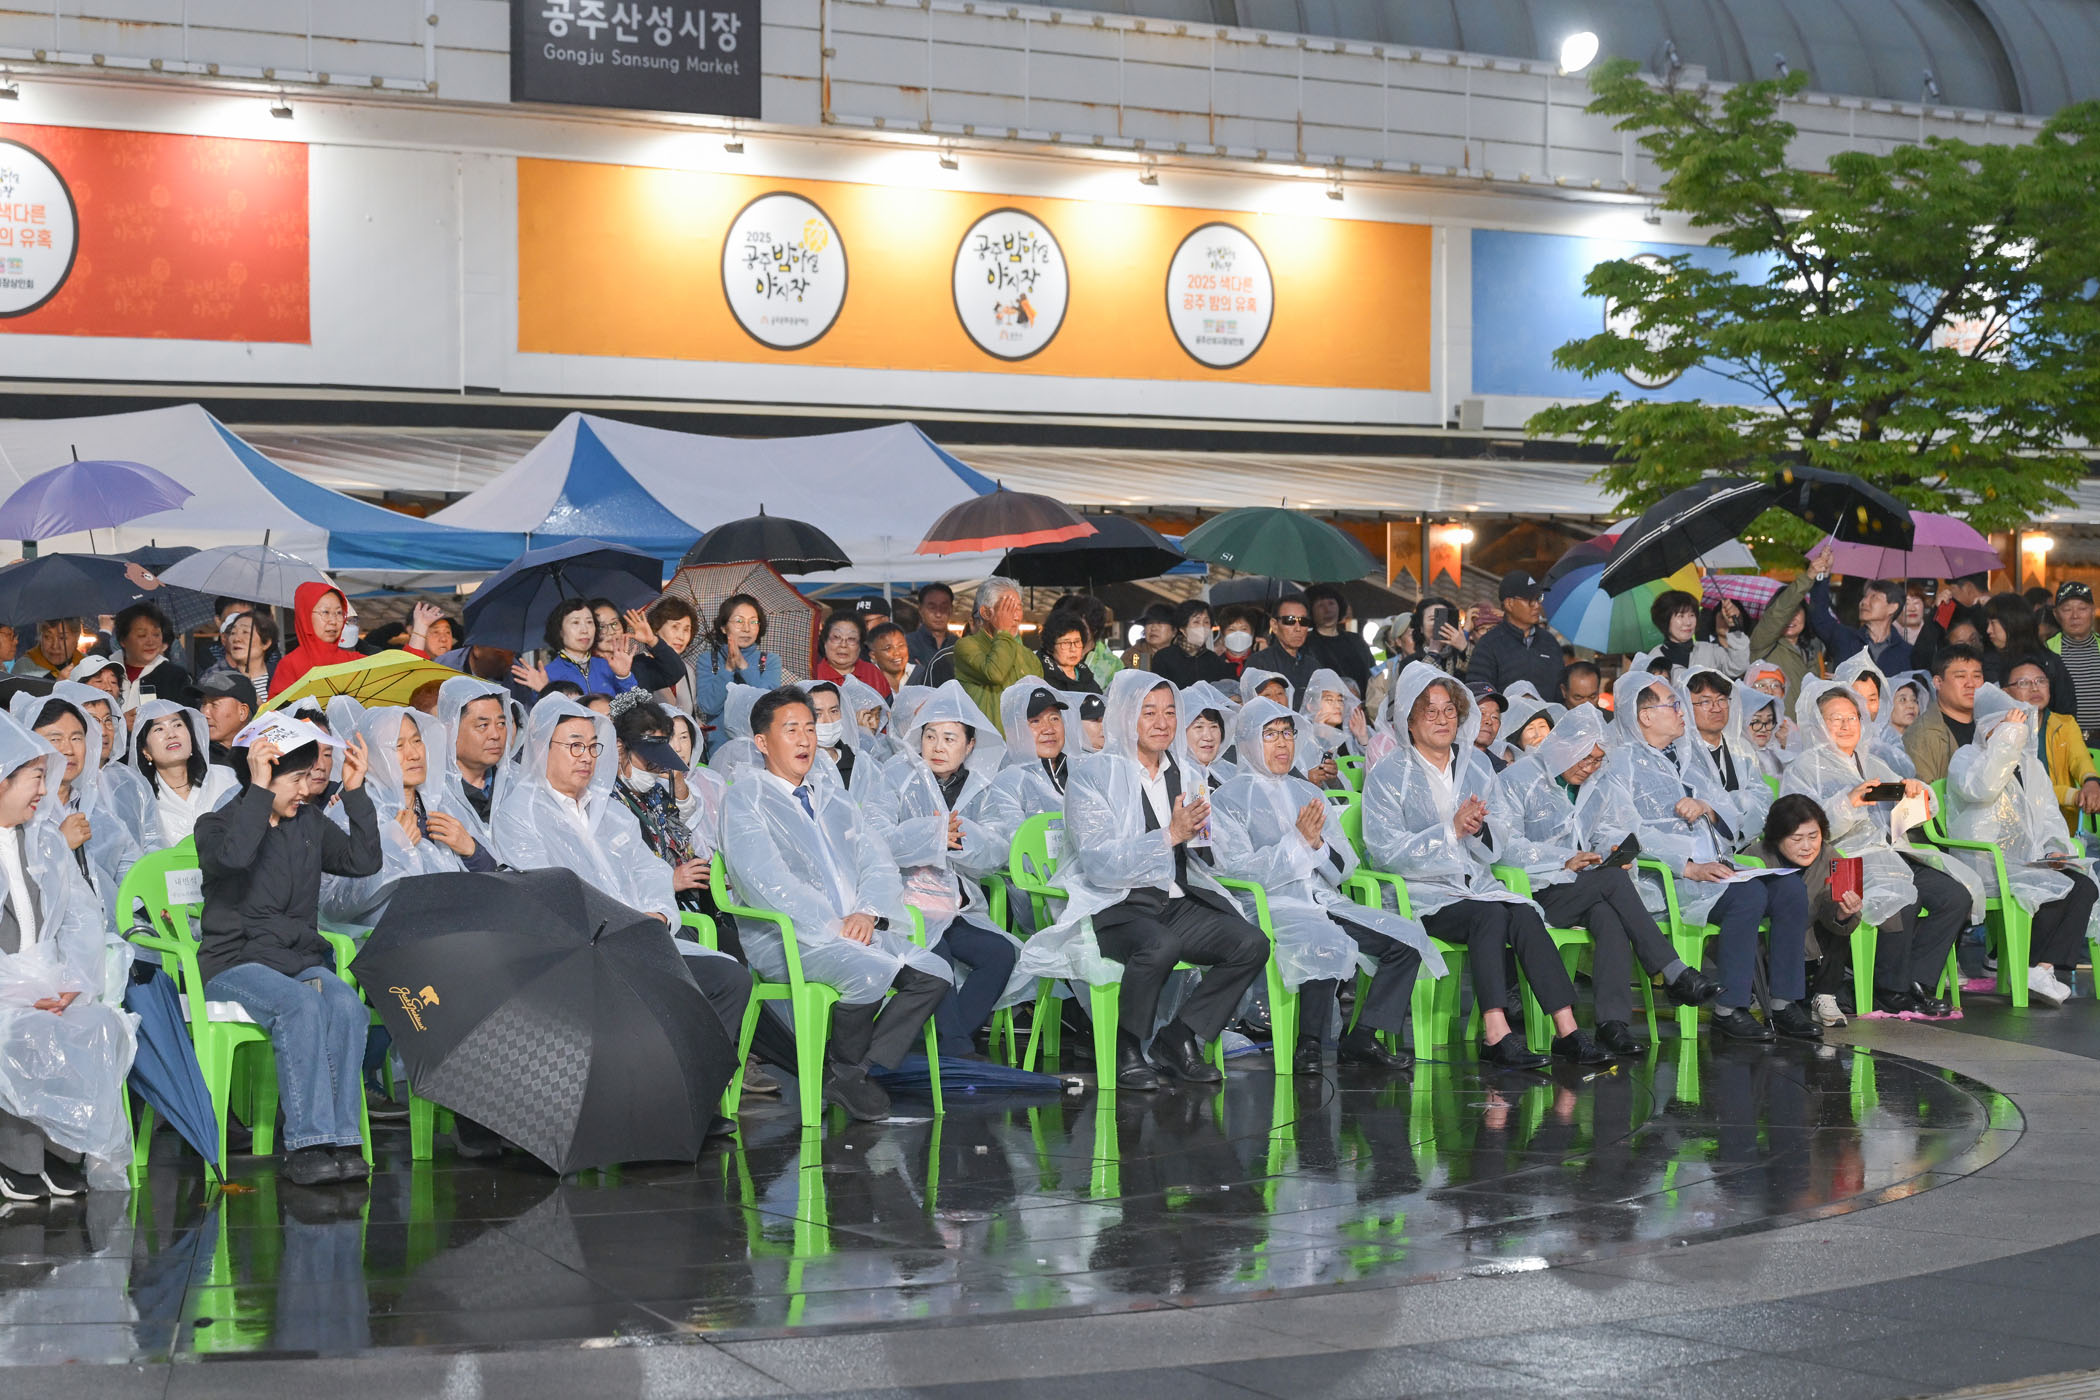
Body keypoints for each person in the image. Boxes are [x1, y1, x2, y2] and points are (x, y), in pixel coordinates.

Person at [1008, 671, 1272, 1089]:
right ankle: (1127, 1047)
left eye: (1169, 712)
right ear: (1125, 716)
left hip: (1175, 899)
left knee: (1251, 943)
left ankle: (1180, 1038)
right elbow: (1098, 861)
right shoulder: (1094, 774)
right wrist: (1171, 834)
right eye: (1149, 712)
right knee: (1159, 945)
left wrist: (1208, 836)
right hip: (1114, 903)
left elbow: (1204, 850)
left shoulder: (1187, 774)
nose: (1162, 723)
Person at [718, 687, 953, 1120]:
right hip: (791, 938)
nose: (805, 740)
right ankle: (847, 1071)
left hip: (854, 928)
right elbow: (765, 881)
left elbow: (876, 859)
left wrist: (868, 912)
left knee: (935, 974)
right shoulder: (746, 797)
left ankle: (849, 1071)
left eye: (810, 729)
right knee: (869, 973)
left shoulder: (833, 795)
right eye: (791, 730)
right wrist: (832, 925)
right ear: (763, 742)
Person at [1361, 663, 1610, 1067]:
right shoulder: (1389, 774)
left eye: (1449, 710)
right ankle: (1496, 1033)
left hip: (1474, 885)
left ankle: (1567, 1030)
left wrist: (1477, 828)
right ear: (1409, 719)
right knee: (1491, 915)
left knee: (1524, 913)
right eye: (1430, 711)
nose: (1442, 719)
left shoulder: (1475, 766)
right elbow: (1385, 852)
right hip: (1421, 895)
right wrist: (1450, 831)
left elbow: (1498, 841)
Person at [1573, 672, 1817, 1041]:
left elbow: (1729, 811)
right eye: (1673, 705)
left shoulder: (1688, 755)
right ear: (1646, 716)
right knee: (1748, 896)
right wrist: (1687, 865)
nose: (1681, 711)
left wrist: (1708, 809)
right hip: (1669, 878)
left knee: (1791, 891)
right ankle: (1729, 1008)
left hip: (1716, 865)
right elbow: (1619, 831)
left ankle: (1784, 1002)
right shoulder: (1620, 764)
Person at [1211, 698, 1440, 1073]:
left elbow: (1345, 865)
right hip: (1272, 907)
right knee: (1321, 940)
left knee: (1406, 941)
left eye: (1287, 733)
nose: (1282, 743)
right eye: (1270, 734)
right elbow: (1238, 870)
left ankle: (1362, 1036)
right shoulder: (1227, 799)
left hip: (1322, 900)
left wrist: (1317, 845)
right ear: (1249, 740)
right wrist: (1296, 843)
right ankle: (1310, 1044)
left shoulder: (1309, 793)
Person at [194, 728, 380, 1186]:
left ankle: (342, 1139)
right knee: (301, 1005)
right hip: (234, 964)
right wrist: (259, 791)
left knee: (346, 1005)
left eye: (307, 777)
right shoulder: (216, 826)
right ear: (263, 775)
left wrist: (355, 793)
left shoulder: (309, 823)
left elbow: (363, 861)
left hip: (296, 960)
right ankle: (307, 1143)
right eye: (295, 779)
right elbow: (235, 859)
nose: (304, 788)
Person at [1491, 704, 1721, 1053]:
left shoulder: (1596, 783)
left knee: (1609, 915)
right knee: (1612, 882)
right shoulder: (1518, 779)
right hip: (1532, 891)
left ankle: (1613, 1025)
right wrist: (1562, 859)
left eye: (1597, 760)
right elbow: (1504, 846)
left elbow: (1608, 827)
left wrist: (1609, 850)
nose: (1590, 767)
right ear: (1564, 747)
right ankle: (1673, 971)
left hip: (1581, 887)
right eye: (1585, 758)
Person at [0, 713, 137, 1201]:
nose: (45, 790)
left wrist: (72, 982)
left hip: (46, 981)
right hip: (8, 989)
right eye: (35, 777)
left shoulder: (42, 838)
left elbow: (80, 917)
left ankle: (64, 1148)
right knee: (19, 1032)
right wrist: (15, 992)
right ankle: (16, 1157)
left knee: (97, 1025)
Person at [1783, 678, 1980, 1017]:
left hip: (1890, 854)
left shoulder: (1871, 762)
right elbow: (1802, 831)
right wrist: (1847, 802)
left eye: (1852, 717)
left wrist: (1915, 794)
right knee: (1902, 898)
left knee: (1955, 896)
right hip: (1843, 860)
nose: (1846, 725)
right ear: (1817, 724)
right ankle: (1890, 989)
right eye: (1835, 719)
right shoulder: (1803, 768)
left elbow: (1909, 818)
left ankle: (1917, 981)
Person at [871, 683, 1020, 1058]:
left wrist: (959, 838)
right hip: (904, 906)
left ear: (970, 745)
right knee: (935, 954)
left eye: (950, 738)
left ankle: (942, 1045)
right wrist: (932, 834)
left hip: (954, 907)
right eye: (930, 736)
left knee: (1000, 954)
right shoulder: (896, 775)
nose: (937, 746)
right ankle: (957, 1051)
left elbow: (999, 848)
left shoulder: (981, 788)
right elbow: (876, 838)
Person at [1943, 681, 2096, 1007]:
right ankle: (2022, 964)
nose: (2015, 734)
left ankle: (2041, 968)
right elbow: (1983, 788)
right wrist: (2006, 740)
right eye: (2005, 726)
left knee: (2083, 885)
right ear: (1987, 727)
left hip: (2032, 859)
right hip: (1987, 862)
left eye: (2018, 727)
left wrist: (2054, 849)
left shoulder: (2031, 767)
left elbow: (2049, 817)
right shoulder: (1967, 758)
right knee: (2048, 887)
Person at [321, 707, 496, 928]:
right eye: (398, 746)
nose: (414, 754)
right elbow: (332, 904)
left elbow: (494, 882)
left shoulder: (441, 804)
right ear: (372, 756)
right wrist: (394, 850)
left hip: (454, 930)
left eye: (417, 741)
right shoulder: (351, 812)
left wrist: (471, 850)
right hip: (385, 939)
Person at [13, 689, 144, 926]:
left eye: (76, 738)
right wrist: (59, 845)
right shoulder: (17, 816)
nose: (68, 750)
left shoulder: (100, 814)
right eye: (55, 739)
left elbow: (134, 877)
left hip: (111, 936)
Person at [1756, 794, 1865, 1029]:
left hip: (1813, 951)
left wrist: (1844, 914)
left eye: (1813, 837)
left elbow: (1833, 906)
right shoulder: (1756, 858)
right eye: (1797, 839)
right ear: (1776, 837)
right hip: (1772, 951)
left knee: (1841, 922)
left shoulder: (1829, 856)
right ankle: (1759, 993)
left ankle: (1825, 995)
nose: (1807, 846)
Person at [2001, 659, 2100, 837]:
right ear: (2005, 692)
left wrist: (2091, 782)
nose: (2035, 688)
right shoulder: (2003, 732)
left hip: (2064, 830)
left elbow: (2080, 759)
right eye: (2023, 683)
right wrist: (2074, 796)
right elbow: (2028, 792)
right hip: (2019, 832)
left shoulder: (2065, 724)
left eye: (2041, 681)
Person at [1678, 670, 1774, 839]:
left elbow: (1762, 799)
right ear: (1686, 705)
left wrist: (1737, 806)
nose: (1716, 708)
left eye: (1722, 700)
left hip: (1745, 843)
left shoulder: (1741, 748)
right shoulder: (1680, 753)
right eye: (1705, 702)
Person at [131, 700, 240, 847]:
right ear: (145, 751)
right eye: (159, 729)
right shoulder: (141, 799)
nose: (171, 734)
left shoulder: (226, 778)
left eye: (177, 725)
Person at [434, 676, 517, 859]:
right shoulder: (433, 794)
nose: (495, 734)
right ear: (451, 729)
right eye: (483, 725)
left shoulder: (517, 784)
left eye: (501, 724)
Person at [690, 594, 782, 756]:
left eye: (753, 622)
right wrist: (728, 669)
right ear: (723, 627)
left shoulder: (769, 660)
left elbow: (770, 703)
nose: (747, 628)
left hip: (761, 750)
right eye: (739, 621)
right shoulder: (709, 660)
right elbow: (708, 706)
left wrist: (743, 666)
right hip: (720, 750)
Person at [954, 578, 1043, 733]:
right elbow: (995, 673)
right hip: (985, 743)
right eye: (1007, 608)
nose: (1015, 616)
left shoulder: (1029, 657)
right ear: (985, 612)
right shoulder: (967, 646)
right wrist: (1003, 632)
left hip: (1023, 742)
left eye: (1018, 608)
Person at [1804, 547, 1912, 674]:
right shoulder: (1845, 638)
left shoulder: (1907, 653)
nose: (1864, 602)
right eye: (1864, 597)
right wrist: (1823, 575)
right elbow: (1819, 617)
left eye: (1874, 597)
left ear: (1893, 607)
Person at [1466, 572, 1563, 702]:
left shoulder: (1550, 642)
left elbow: (1560, 690)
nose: (1537, 605)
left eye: (1538, 598)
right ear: (1509, 604)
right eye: (1530, 600)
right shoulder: (1489, 644)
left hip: (1548, 715)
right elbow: (1479, 694)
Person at [1981, 592, 2076, 716]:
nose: (1988, 630)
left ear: (2011, 622)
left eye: (1993, 623)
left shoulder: (2050, 662)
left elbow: (2066, 711)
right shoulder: (1988, 662)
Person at [1905, 643, 1987, 785]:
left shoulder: (1989, 725)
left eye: (1977, 676)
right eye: (1960, 676)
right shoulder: (1924, 734)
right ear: (1938, 682)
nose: (1970, 684)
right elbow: (1924, 793)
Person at [523, 598, 635, 698]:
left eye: (589, 622)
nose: (584, 630)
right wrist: (544, 692)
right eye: (575, 622)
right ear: (559, 631)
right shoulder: (547, 675)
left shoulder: (608, 665)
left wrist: (624, 677)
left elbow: (634, 708)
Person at [1833, 654, 1918, 780]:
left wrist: (1877, 748)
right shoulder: (1829, 733)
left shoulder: (1885, 733)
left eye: (1872, 699)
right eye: (1857, 699)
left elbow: (1907, 771)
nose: (1865, 708)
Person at [269, 583, 362, 697]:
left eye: (339, 613)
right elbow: (278, 706)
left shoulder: (357, 662)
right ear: (305, 615)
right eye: (325, 612)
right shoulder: (290, 666)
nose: (333, 621)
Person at [1747, 569, 1816, 709]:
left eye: (1796, 611)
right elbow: (1778, 613)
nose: (1791, 618)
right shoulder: (1762, 643)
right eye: (1787, 614)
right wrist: (1808, 577)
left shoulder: (1810, 651)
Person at [111, 602, 198, 710]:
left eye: (156, 634)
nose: (151, 642)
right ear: (123, 640)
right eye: (142, 635)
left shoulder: (175, 677)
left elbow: (186, 716)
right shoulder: (107, 671)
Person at [1911, 572, 1995, 674]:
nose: (1950, 594)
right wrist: (1937, 612)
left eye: (1952, 589)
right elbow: (1920, 658)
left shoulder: (1995, 613)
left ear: (1968, 588)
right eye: (1961, 644)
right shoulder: (1949, 611)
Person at [2047, 580, 2100, 743]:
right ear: (2056, 614)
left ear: (2093, 611)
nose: (2075, 616)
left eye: (2082, 608)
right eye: (2067, 609)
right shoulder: (2046, 651)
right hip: (2063, 742)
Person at [622, 597, 699, 708]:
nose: (681, 636)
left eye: (686, 629)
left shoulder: (688, 670)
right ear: (656, 628)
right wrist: (652, 641)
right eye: (675, 627)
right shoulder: (640, 665)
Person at [1302, 583, 1375, 695]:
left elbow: (1372, 672)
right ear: (1310, 611)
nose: (1327, 610)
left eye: (1331, 603)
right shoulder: (1306, 644)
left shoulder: (1356, 640)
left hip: (1362, 703)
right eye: (1320, 605)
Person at [1650, 591, 1748, 676]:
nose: (1688, 622)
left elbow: (1738, 666)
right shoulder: (1654, 658)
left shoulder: (1709, 651)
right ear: (1665, 620)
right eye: (1681, 616)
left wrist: (1734, 627)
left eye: (1692, 615)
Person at [1244, 595, 1322, 697]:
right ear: (1274, 625)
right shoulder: (1259, 663)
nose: (1298, 628)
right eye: (1289, 620)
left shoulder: (1313, 665)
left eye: (1303, 621)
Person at [201, 609, 278, 707]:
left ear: (266, 643)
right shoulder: (216, 678)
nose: (236, 639)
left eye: (245, 632)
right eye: (233, 633)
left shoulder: (281, 675)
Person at [1149, 600, 1235, 688]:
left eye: (1206, 622)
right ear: (1182, 628)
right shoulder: (1164, 657)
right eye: (1196, 622)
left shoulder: (1213, 659)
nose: (1202, 627)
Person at [814, 611, 891, 699]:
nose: (843, 645)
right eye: (836, 638)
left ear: (860, 644)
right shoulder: (813, 675)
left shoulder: (872, 673)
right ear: (825, 641)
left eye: (851, 639)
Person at [196, 671, 258, 767]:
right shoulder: (197, 759)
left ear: (242, 712)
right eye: (203, 704)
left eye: (214, 704)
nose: (205, 713)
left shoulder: (266, 753)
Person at [1038, 611, 1100, 695]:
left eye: (1077, 642)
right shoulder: (1041, 677)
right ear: (1050, 646)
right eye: (1065, 643)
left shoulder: (1086, 676)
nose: (1073, 649)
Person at [12, 617, 87, 679]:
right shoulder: (24, 668)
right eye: (48, 637)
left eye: (62, 638)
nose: (55, 646)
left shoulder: (87, 665)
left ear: (77, 637)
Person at [906, 583, 956, 674]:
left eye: (944, 607)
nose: (938, 614)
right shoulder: (907, 644)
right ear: (920, 610)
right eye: (932, 608)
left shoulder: (959, 645)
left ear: (951, 609)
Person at [1123, 603, 1176, 672]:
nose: (1153, 628)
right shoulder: (1133, 655)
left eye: (1160, 623)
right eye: (1149, 623)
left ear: (1174, 631)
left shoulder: (1181, 656)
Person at [866, 621, 914, 695]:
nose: (897, 653)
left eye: (901, 645)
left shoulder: (921, 675)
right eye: (888, 648)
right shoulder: (867, 683)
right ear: (873, 655)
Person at [1469, 684, 1507, 773]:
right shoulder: (1444, 760)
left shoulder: (1502, 771)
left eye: (1495, 717)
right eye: (1481, 713)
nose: (1489, 721)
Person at [1215, 605, 1261, 678]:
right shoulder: (1215, 665)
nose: (1238, 634)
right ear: (1223, 635)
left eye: (1244, 629)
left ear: (1252, 633)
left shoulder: (1262, 662)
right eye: (1231, 630)